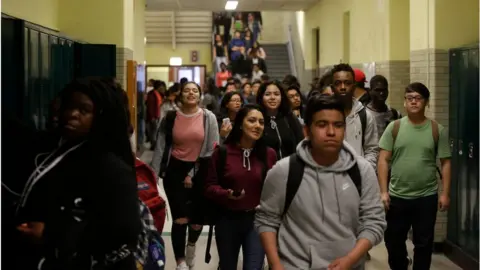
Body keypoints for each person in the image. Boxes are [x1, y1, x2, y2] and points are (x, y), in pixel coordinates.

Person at [16, 77, 142, 270]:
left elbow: (123, 233)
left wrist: (49, 235)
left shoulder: (112, 168)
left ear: (100, 117)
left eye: (84, 110)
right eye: (69, 107)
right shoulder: (56, 150)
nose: (72, 115)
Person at [255, 94, 386, 269]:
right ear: (307, 131)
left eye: (338, 125)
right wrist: (276, 264)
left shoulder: (362, 171)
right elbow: (267, 220)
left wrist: (350, 259)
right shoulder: (284, 171)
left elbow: (374, 222)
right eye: (322, 125)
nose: (331, 132)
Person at [378, 82, 451, 270]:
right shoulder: (394, 128)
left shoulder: (437, 130)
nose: (413, 102)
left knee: (424, 245)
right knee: (394, 243)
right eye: (409, 98)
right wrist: (383, 192)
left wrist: (445, 193)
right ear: (404, 102)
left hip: (426, 197)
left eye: (418, 98)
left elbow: (446, 163)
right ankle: (401, 264)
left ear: (426, 102)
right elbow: (383, 160)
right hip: (397, 196)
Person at [150, 82, 219, 270]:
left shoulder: (208, 117)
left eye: (195, 90)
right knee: (180, 218)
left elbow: (212, 149)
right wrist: (152, 177)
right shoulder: (171, 117)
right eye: (187, 90)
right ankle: (180, 262)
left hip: (201, 170)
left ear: (200, 95)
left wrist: (193, 172)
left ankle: (191, 245)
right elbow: (161, 147)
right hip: (175, 171)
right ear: (181, 94)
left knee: (196, 222)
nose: (191, 93)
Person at [205, 104, 277, 270]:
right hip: (227, 220)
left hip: (257, 221)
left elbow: (274, 189)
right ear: (239, 124)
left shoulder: (269, 154)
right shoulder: (222, 152)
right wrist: (226, 194)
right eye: (252, 120)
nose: (257, 125)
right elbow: (209, 186)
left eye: (261, 122)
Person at [331, 63, 379, 170]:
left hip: (357, 179)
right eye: (338, 83)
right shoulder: (324, 115)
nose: (343, 87)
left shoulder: (365, 115)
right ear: (332, 87)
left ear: (353, 86)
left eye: (347, 83)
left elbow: (372, 149)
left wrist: (364, 172)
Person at [256, 81, 304, 160]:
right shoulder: (257, 119)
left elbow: (300, 143)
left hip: (289, 167)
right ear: (261, 97)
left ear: (282, 97)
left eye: (276, 94)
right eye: (268, 94)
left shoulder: (289, 117)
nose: (272, 97)